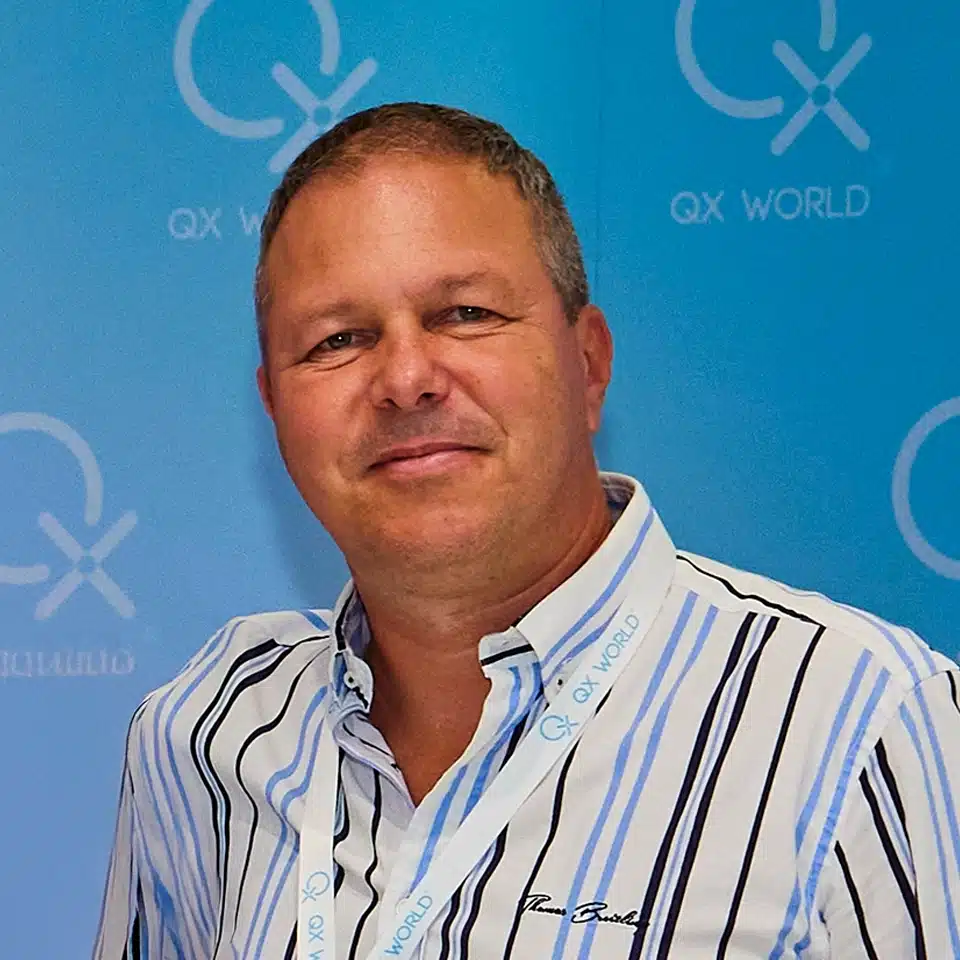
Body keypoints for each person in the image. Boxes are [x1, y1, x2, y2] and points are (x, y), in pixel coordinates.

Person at [94, 102, 960, 960]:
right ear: (275, 408)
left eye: (464, 314)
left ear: (589, 363)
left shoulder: (863, 731)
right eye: (339, 339)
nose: (405, 378)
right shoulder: (202, 739)